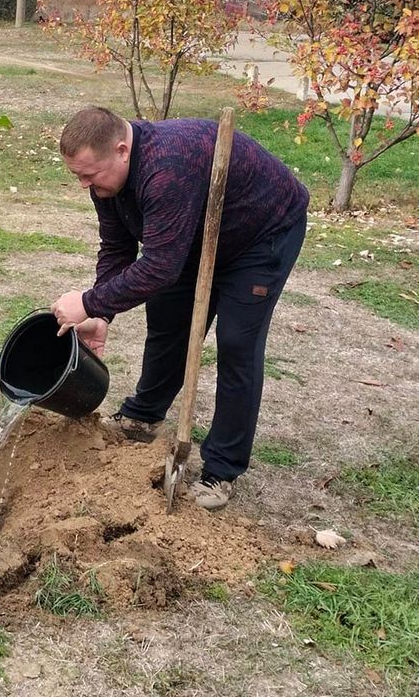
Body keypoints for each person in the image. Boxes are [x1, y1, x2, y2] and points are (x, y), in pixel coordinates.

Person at [50, 106, 308, 510]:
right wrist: (102, 313)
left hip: (259, 235)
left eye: (89, 174)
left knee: (238, 343)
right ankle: (144, 415)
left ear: (121, 150)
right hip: (191, 233)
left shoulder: (167, 167)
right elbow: (118, 247)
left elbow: (159, 268)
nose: (84, 184)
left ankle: (222, 468)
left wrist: (86, 302)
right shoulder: (106, 182)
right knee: (169, 321)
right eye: (77, 175)